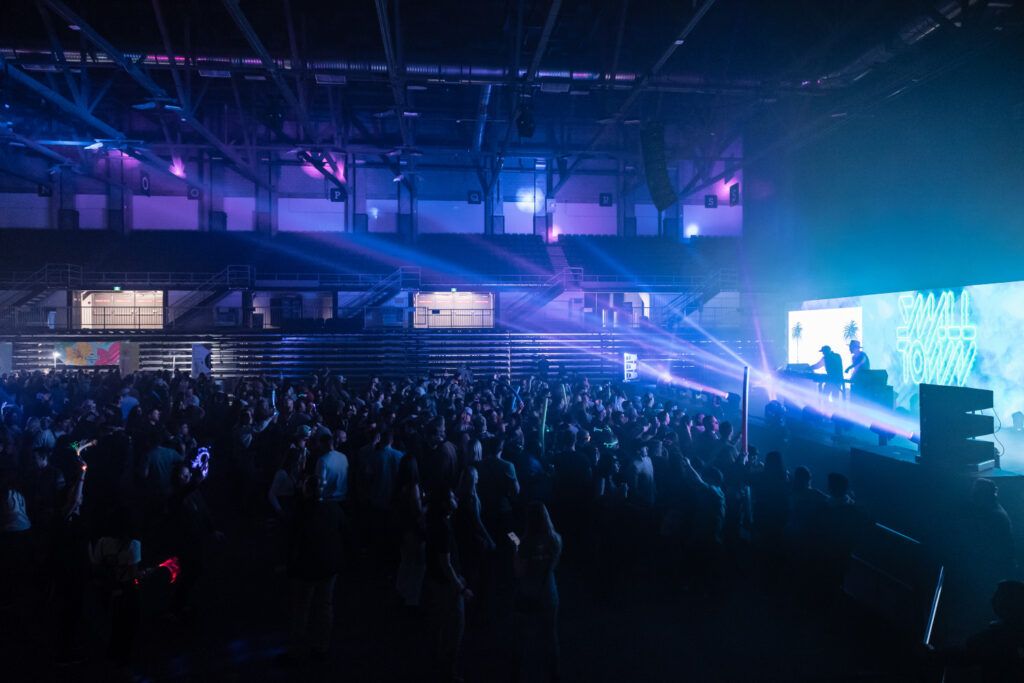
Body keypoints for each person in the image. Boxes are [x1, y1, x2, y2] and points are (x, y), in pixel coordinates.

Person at [283, 476, 344, 663]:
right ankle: (321, 647)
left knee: (302, 608)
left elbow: (290, 540)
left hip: (306, 567)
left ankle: (296, 651)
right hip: (329, 565)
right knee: (325, 606)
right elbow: (347, 533)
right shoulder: (334, 509)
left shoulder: (301, 512)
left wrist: (286, 563)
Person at [513, 502, 562, 682]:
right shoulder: (556, 540)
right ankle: (554, 675)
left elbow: (518, 572)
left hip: (527, 593)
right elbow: (553, 566)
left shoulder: (523, 544)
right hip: (549, 593)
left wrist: (516, 548)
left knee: (521, 637)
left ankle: (517, 675)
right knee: (550, 636)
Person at [425, 487, 470, 681]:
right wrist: (460, 587)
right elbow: (446, 562)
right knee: (454, 628)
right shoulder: (443, 527)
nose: (456, 498)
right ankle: (447, 671)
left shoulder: (437, 522)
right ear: (445, 504)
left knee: (440, 622)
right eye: (452, 496)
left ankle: (437, 663)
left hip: (437, 580)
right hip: (447, 584)